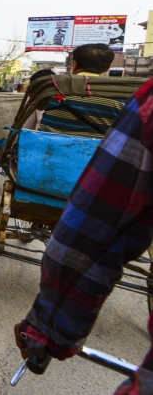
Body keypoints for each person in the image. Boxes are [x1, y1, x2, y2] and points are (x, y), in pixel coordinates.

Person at [14, 78, 153, 394]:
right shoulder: (117, 107)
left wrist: (48, 329)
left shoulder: (145, 105)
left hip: (48, 182)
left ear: (74, 67)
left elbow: (98, 225)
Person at [37, 44, 118, 137]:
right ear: (108, 68)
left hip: (46, 148)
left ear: (74, 64)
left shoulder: (51, 90)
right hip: (98, 150)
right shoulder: (121, 99)